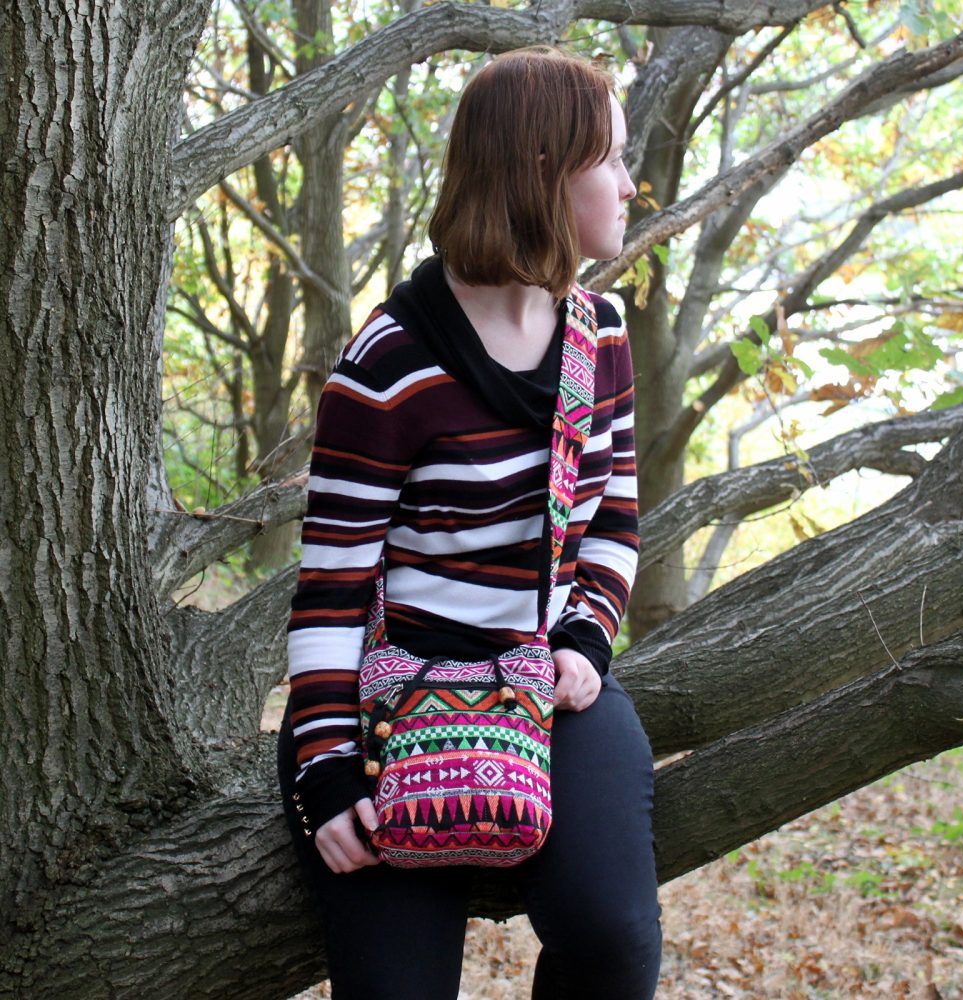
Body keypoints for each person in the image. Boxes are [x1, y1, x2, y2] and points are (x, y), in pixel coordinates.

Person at [277, 46, 661, 1000]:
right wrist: (327, 775)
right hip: (392, 701)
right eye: (609, 159)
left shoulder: (599, 334)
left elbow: (613, 519)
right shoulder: (390, 364)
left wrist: (584, 640)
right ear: (541, 174)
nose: (628, 182)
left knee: (612, 940)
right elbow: (330, 591)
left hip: (546, 688)